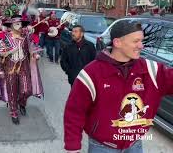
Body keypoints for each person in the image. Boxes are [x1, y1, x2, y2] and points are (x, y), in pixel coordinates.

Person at [63, 20, 173, 153]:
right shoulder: (91, 73)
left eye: (141, 41)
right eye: (135, 41)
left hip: (134, 145)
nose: (141, 46)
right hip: (101, 146)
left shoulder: (151, 70)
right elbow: (74, 112)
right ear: (117, 42)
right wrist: (73, 146)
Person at [0, 15, 44, 125]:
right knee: (12, 91)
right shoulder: (4, 38)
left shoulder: (26, 37)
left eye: (20, 24)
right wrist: (0, 69)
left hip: (24, 66)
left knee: (26, 90)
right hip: (9, 68)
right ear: (11, 26)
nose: (19, 26)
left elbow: (33, 46)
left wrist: (35, 54)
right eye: (17, 24)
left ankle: (22, 103)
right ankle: (13, 111)